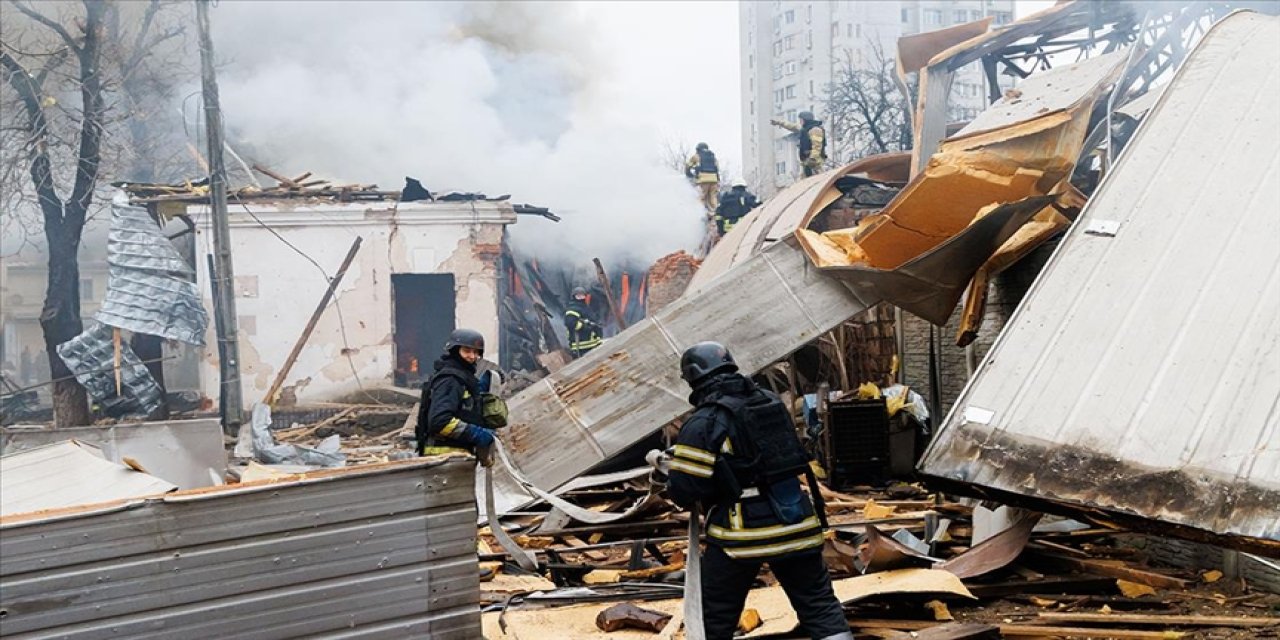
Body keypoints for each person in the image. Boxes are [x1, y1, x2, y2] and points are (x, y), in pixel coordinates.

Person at [667, 342, 852, 640]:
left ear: (693, 378)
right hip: (797, 523)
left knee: (714, 614)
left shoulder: (704, 422)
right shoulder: (768, 402)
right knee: (819, 606)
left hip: (742, 536)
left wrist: (670, 474)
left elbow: (686, 490)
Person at [415, 328, 497, 465]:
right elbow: (440, 421)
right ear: (455, 350)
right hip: (444, 458)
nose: (472, 356)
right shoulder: (450, 380)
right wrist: (475, 434)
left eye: (476, 352)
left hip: (456, 457)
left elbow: (463, 410)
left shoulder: (463, 377)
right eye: (467, 351)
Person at [770, 111, 828, 177]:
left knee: (819, 181)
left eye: (801, 120)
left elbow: (817, 147)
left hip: (815, 163)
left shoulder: (815, 130)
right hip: (807, 161)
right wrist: (779, 122)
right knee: (804, 182)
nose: (800, 121)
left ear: (805, 120)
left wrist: (812, 159)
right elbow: (792, 126)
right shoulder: (805, 128)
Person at [564, 286, 603, 358]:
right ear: (574, 296)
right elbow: (570, 323)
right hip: (581, 347)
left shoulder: (586, 308)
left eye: (582, 295)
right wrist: (584, 326)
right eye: (578, 295)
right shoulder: (572, 309)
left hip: (592, 344)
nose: (581, 297)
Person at [685, 142, 721, 213]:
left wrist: (689, 175)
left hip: (703, 180)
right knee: (713, 197)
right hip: (714, 180)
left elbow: (688, 166)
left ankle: (701, 213)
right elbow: (717, 168)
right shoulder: (713, 157)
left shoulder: (696, 156)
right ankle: (715, 212)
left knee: (702, 197)